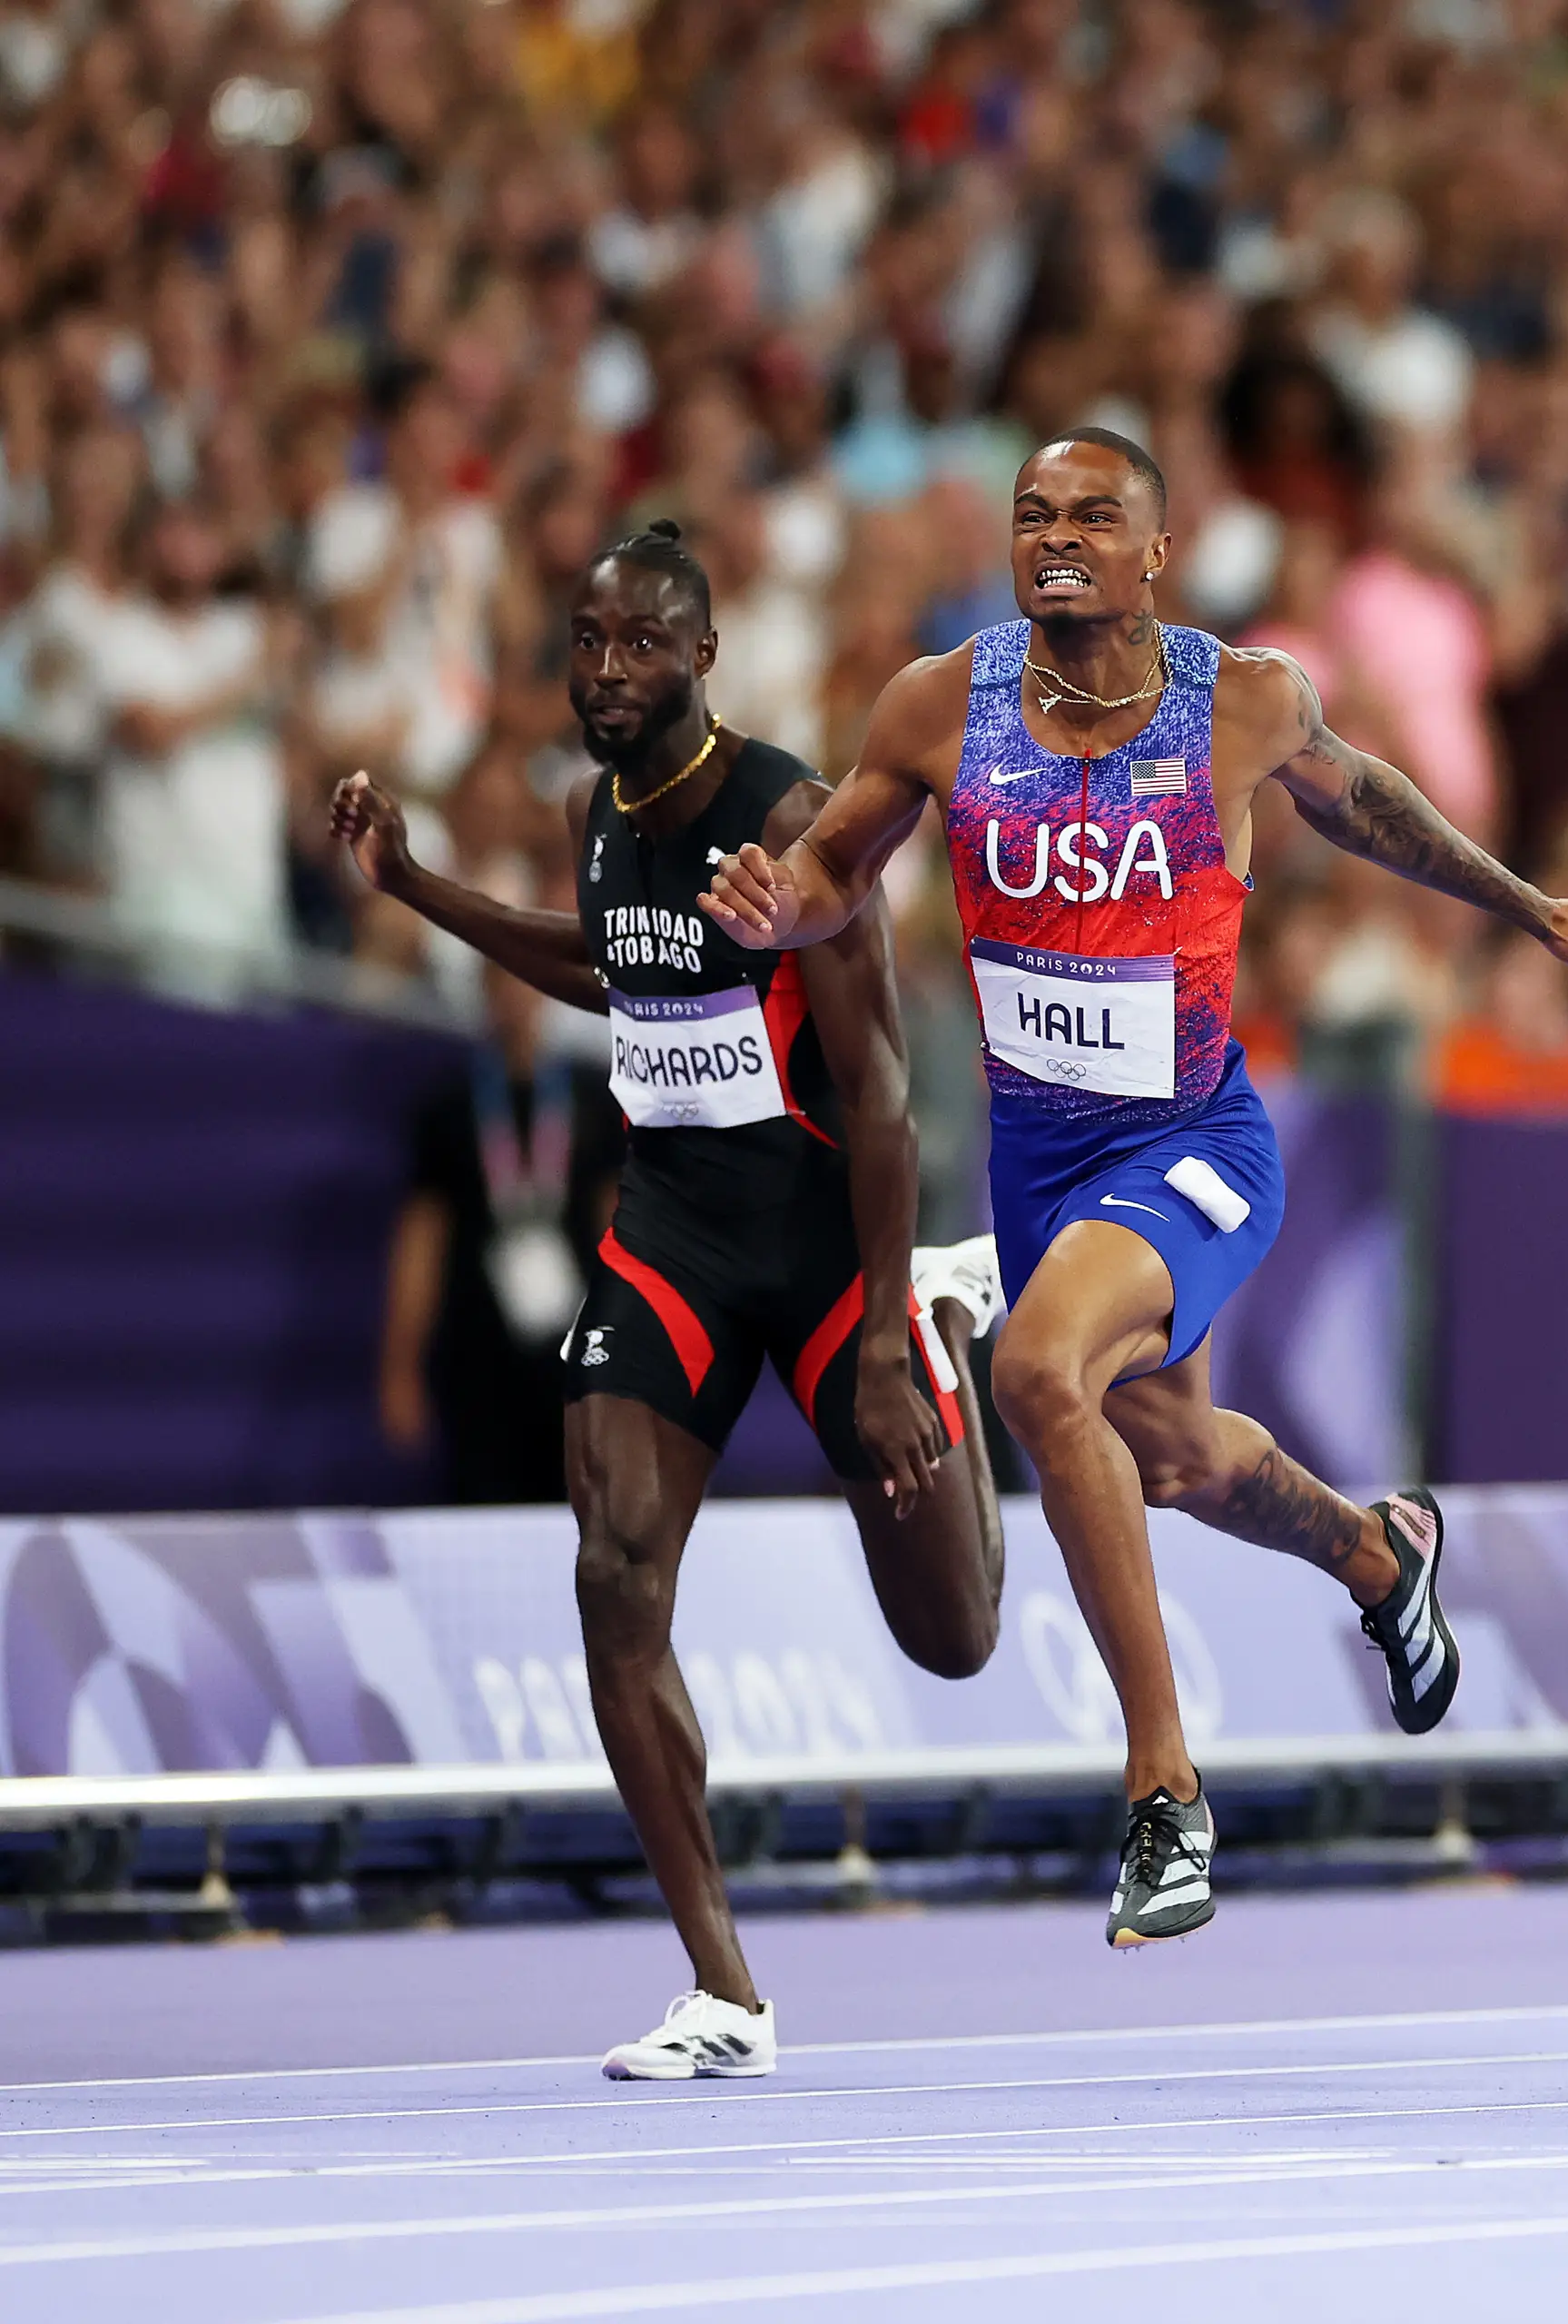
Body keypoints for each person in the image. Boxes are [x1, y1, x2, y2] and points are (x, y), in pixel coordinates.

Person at [698, 430, 1568, 1949]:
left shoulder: (1245, 700)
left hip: (1195, 1144)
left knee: (1036, 1369)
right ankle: (1379, 1552)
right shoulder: (938, 703)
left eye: (1095, 515)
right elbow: (833, 871)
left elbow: (1369, 800)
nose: (1058, 536)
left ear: (1155, 551)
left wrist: (1538, 909)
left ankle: (1164, 1790)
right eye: (1035, 513)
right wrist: (778, 910)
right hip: (1039, 1162)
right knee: (1171, 1453)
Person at [331, 520, 1011, 2081]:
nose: (606, 669)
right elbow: (611, 968)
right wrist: (416, 883)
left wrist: (888, 1334)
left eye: (641, 643)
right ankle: (725, 1988)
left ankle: (946, 1327)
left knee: (957, 1635)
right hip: (674, 1236)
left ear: (704, 656)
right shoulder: (597, 810)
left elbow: (882, 1090)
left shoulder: (789, 817)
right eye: (587, 641)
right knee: (614, 1571)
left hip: (829, 1246)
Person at [380, 954, 623, 1504]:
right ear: (483, 991)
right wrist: (400, 1365)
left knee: (582, 1509)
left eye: (527, 979)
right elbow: (421, 1242)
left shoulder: (591, 1099)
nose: (516, 994)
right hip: (477, 1354)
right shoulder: (449, 1108)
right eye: (502, 980)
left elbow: (620, 1229)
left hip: (574, 1352)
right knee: (482, 1504)